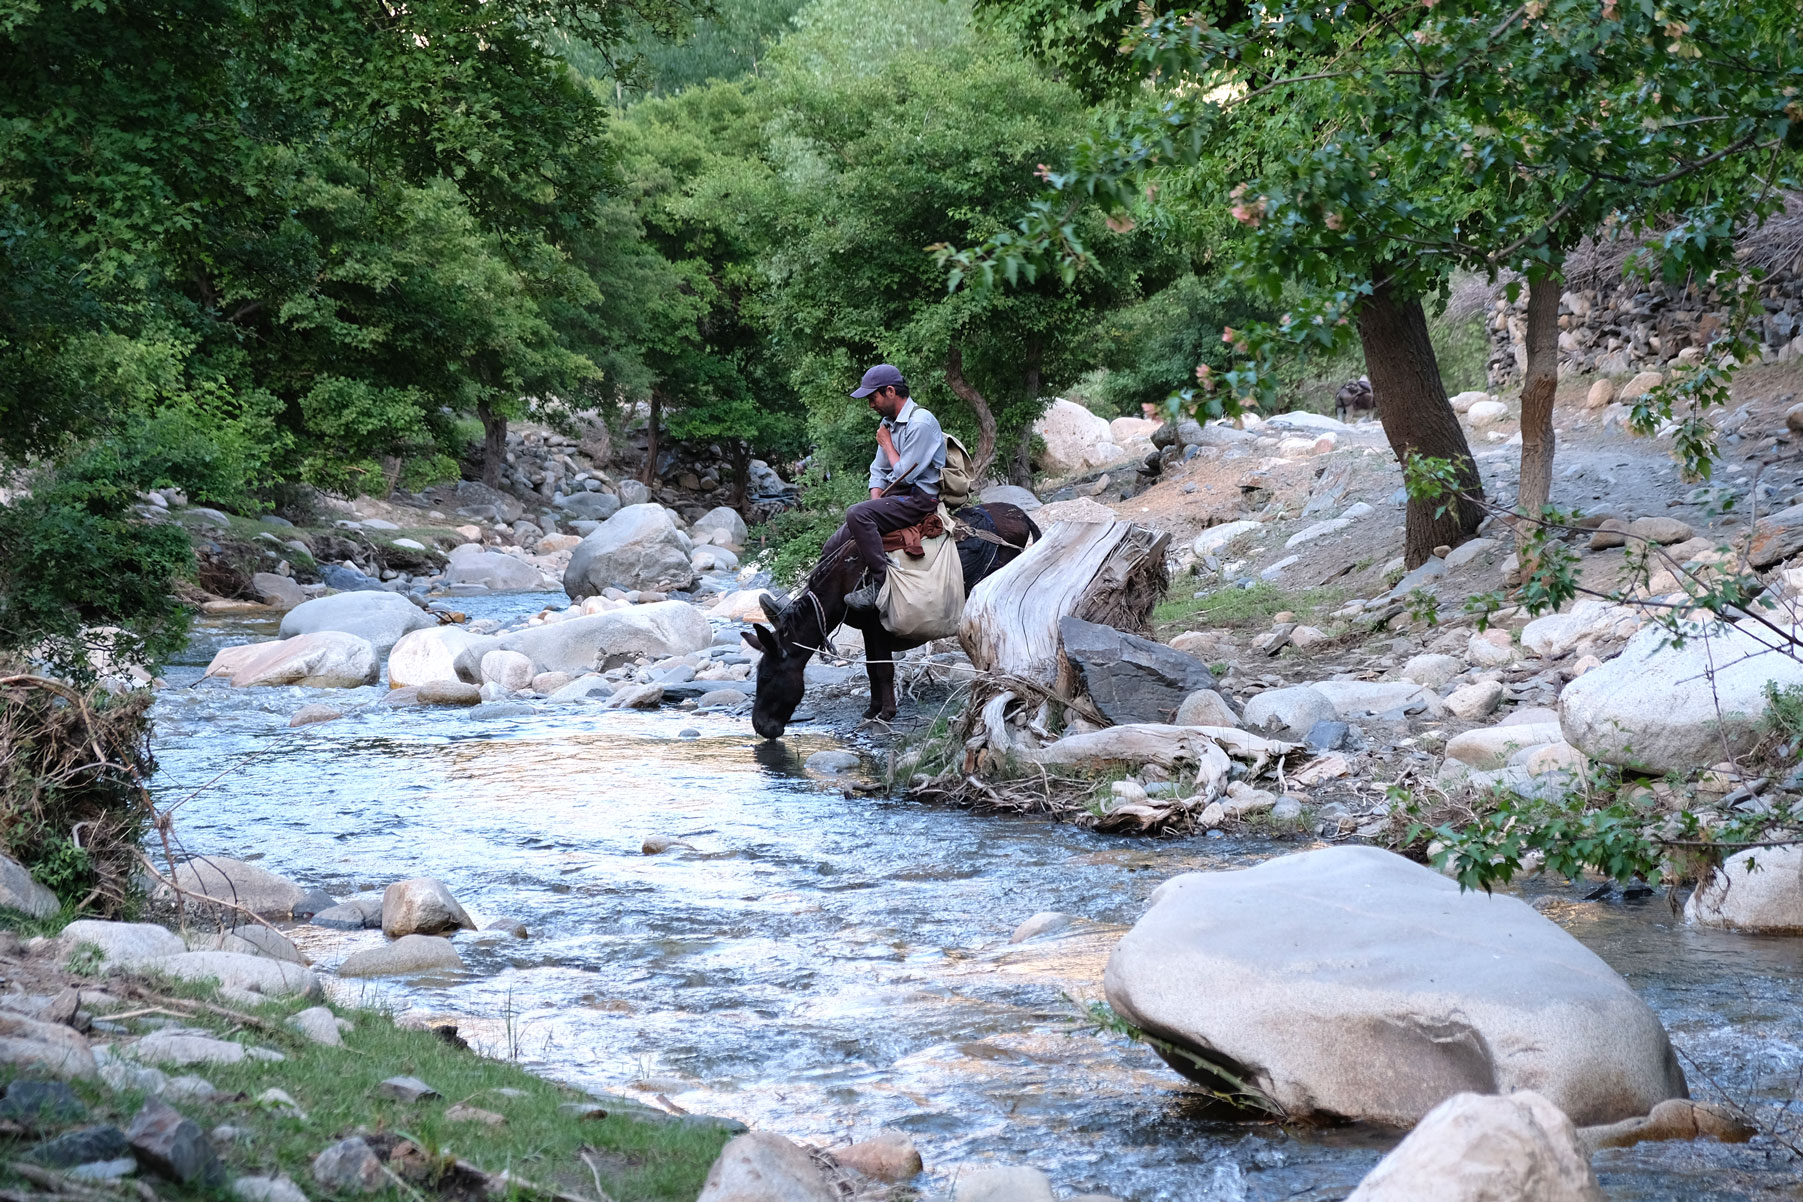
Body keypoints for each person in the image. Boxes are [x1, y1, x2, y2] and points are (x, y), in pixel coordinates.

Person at [822, 364, 946, 613]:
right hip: (896, 497)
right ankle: (808, 604)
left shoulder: (920, 423)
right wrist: (874, 500)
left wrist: (888, 444)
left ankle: (883, 583)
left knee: (857, 513)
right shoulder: (887, 423)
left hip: (920, 499)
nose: (870, 404)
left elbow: (905, 475)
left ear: (890, 391)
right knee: (832, 546)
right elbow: (878, 470)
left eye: (872, 397)